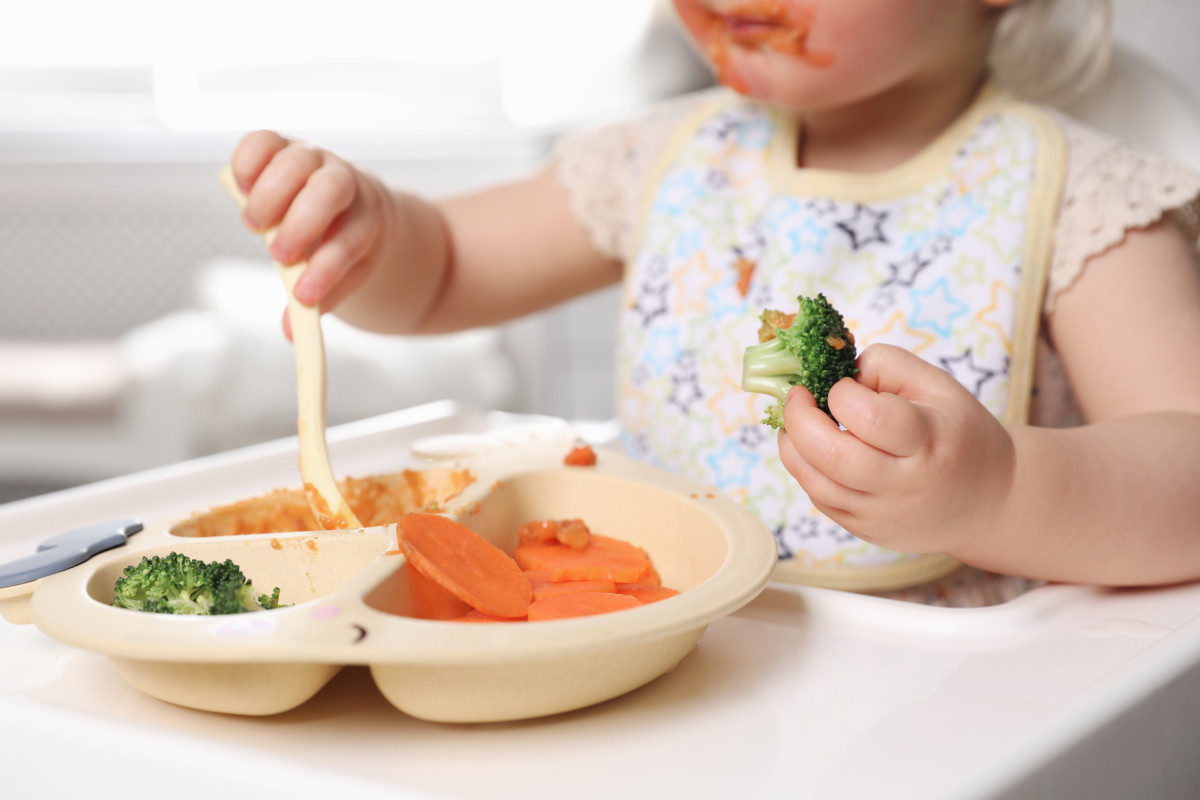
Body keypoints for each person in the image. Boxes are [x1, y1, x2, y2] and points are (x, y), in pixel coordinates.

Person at [228, 0, 1200, 602]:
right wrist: (375, 233)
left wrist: (998, 492)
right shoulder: (662, 158)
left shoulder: (1077, 196)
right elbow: (442, 272)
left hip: (926, 717)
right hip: (659, 657)